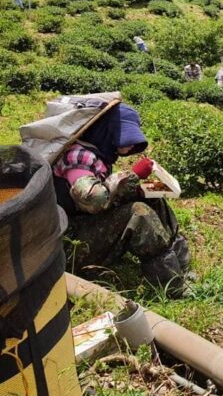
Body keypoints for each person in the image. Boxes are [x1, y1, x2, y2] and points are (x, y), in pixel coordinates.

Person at [52, 104, 190, 295]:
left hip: (84, 225)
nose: (132, 144)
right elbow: (94, 200)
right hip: (71, 244)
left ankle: (181, 266)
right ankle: (173, 288)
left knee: (152, 200)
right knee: (138, 213)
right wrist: (131, 176)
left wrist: (136, 190)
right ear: (108, 132)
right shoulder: (79, 156)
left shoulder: (98, 154)